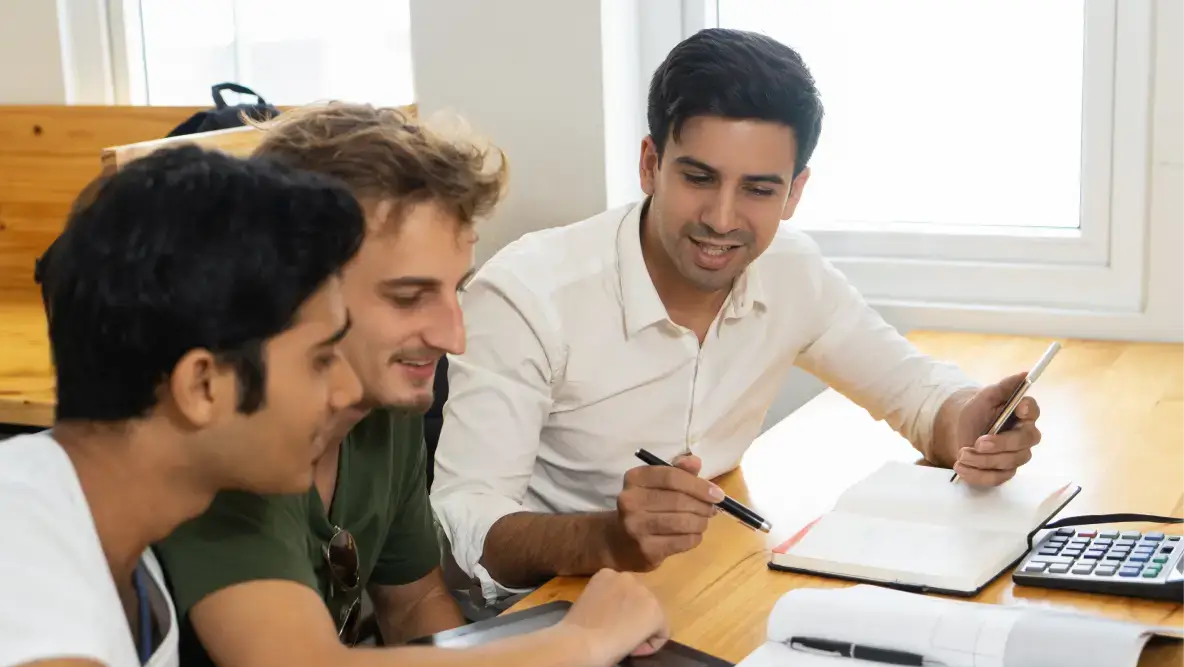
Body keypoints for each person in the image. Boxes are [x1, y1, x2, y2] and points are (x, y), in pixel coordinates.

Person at [0, 145, 538, 667]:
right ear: (203, 385)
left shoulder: (129, 565)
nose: (344, 393)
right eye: (320, 360)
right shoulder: (8, 542)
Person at [429, 27, 1047, 612]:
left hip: (696, 588)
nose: (722, 219)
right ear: (650, 165)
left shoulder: (791, 271)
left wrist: (970, 425)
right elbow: (461, 526)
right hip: (543, 610)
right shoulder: (529, 294)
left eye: (758, 190)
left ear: (794, 192)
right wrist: (606, 538)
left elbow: (916, 393)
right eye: (699, 178)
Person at [153, 103, 670, 667]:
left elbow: (415, 605)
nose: (454, 336)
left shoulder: (383, 408)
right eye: (407, 297)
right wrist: (577, 643)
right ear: (292, 290)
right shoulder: (228, 441)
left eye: (455, 290)